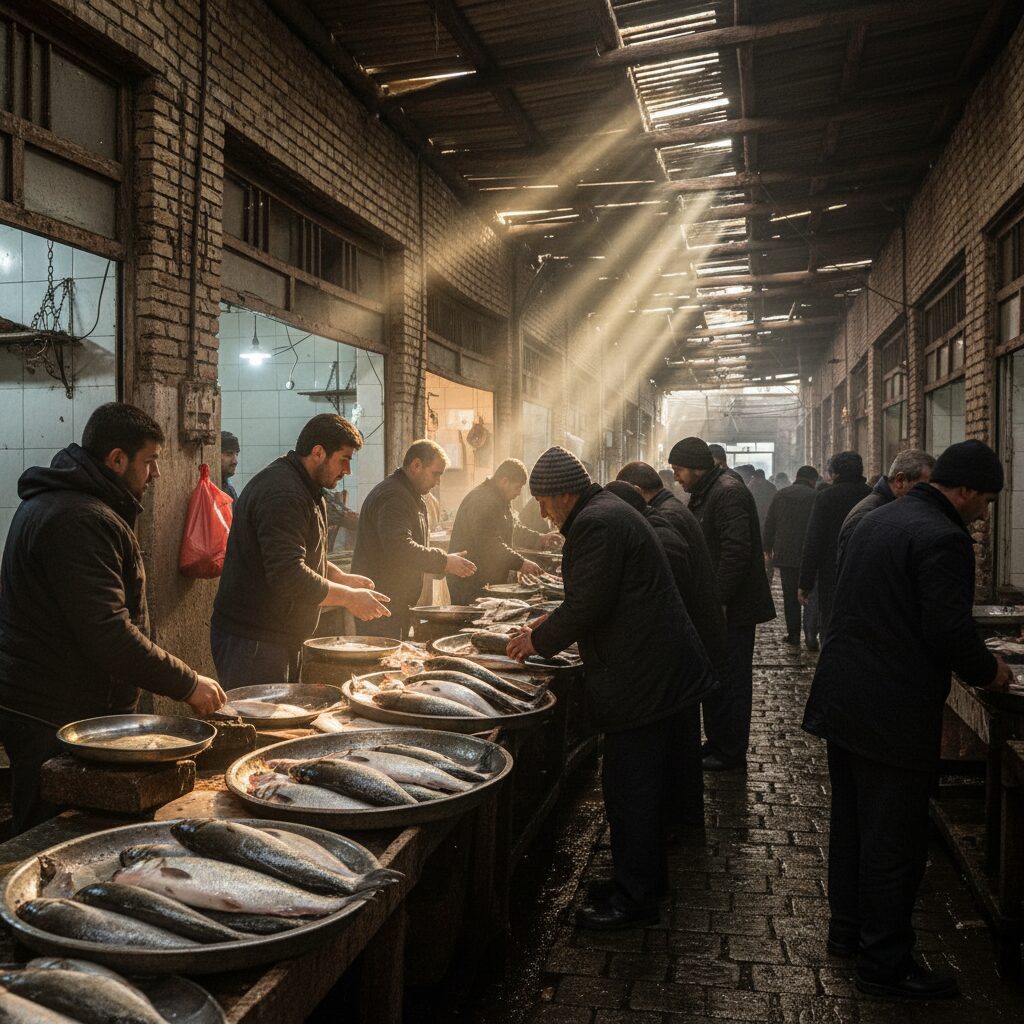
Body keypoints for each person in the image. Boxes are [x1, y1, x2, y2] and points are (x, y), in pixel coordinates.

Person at [802, 439, 1013, 999]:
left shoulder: (878, 518)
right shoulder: (943, 537)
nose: (985, 513)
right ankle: (885, 963)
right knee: (894, 839)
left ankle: (847, 932)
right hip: (891, 709)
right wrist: (991, 670)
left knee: (851, 825)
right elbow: (946, 629)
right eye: (986, 500)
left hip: (845, 699)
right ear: (964, 490)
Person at [507, 448, 715, 930]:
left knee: (630, 790)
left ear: (564, 493)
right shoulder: (609, 511)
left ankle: (634, 901)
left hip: (643, 680)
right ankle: (640, 880)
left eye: (543, 502)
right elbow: (594, 598)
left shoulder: (595, 523)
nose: (542, 512)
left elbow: (588, 605)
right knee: (641, 789)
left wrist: (536, 640)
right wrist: (550, 621)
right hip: (655, 672)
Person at [0, 403, 227, 834]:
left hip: (50, 701)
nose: (156, 474)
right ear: (117, 459)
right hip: (53, 711)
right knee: (50, 832)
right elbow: (108, 632)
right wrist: (187, 683)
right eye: (150, 461)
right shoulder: (80, 519)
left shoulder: (69, 504)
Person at [212, 414, 391, 687]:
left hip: (275, 636)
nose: (348, 471)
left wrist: (338, 577)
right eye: (344, 459)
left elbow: (302, 553)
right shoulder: (283, 493)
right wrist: (349, 597)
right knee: (257, 725)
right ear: (318, 452)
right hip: (253, 641)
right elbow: (288, 573)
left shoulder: (305, 486)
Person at [605, 480, 722, 838]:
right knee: (679, 749)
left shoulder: (661, 535)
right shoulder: (662, 522)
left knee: (667, 754)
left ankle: (674, 825)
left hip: (674, 662)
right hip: (685, 656)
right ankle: (680, 822)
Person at [669, 437, 775, 771]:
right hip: (720, 609)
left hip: (732, 611)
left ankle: (730, 751)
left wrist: (717, 601)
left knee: (731, 681)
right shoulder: (710, 490)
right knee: (716, 677)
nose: (677, 478)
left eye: (680, 470)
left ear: (698, 467)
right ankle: (717, 742)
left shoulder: (727, 492)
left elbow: (736, 551)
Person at [352, 440, 476, 638]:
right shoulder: (394, 496)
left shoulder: (411, 496)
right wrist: (443, 561)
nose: (438, 482)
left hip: (396, 603)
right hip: (380, 604)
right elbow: (399, 548)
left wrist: (444, 561)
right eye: (436, 473)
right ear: (416, 465)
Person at [614, 462, 727, 676]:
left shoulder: (666, 517)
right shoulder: (668, 508)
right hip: (697, 625)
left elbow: (669, 579)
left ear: (636, 491)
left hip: (690, 629)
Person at [445, 459, 557, 604]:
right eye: (517, 487)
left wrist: (540, 538)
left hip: (487, 579)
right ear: (504, 481)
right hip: (470, 581)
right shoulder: (482, 500)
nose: (518, 493)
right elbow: (489, 544)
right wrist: (521, 563)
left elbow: (513, 528)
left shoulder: (500, 499)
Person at [798, 451, 871, 636]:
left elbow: (813, 541)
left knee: (831, 626)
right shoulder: (872, 496)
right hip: (866, 573)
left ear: (835, 473)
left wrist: (805, 583)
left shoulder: (826, 497)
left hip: (832, 573)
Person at [836, 449, 934, 571]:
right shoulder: (869, 516)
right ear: (900, 480)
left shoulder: (886, 508)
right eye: (924, 488)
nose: (929, 495)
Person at [763, 465, 820, 646]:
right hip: (809, 553)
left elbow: (770, 522)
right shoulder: (816, 497)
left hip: (786, 553)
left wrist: (767, 547)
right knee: (809, 593)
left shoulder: (781, 494)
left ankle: (793, 634)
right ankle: (810, 634)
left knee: (790, 596)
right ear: (812, 480)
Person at [220, 431, 240, 500]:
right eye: (229, 454)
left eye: (236, 454)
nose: (235, 461)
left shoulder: (229, 488)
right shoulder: (206, 488)